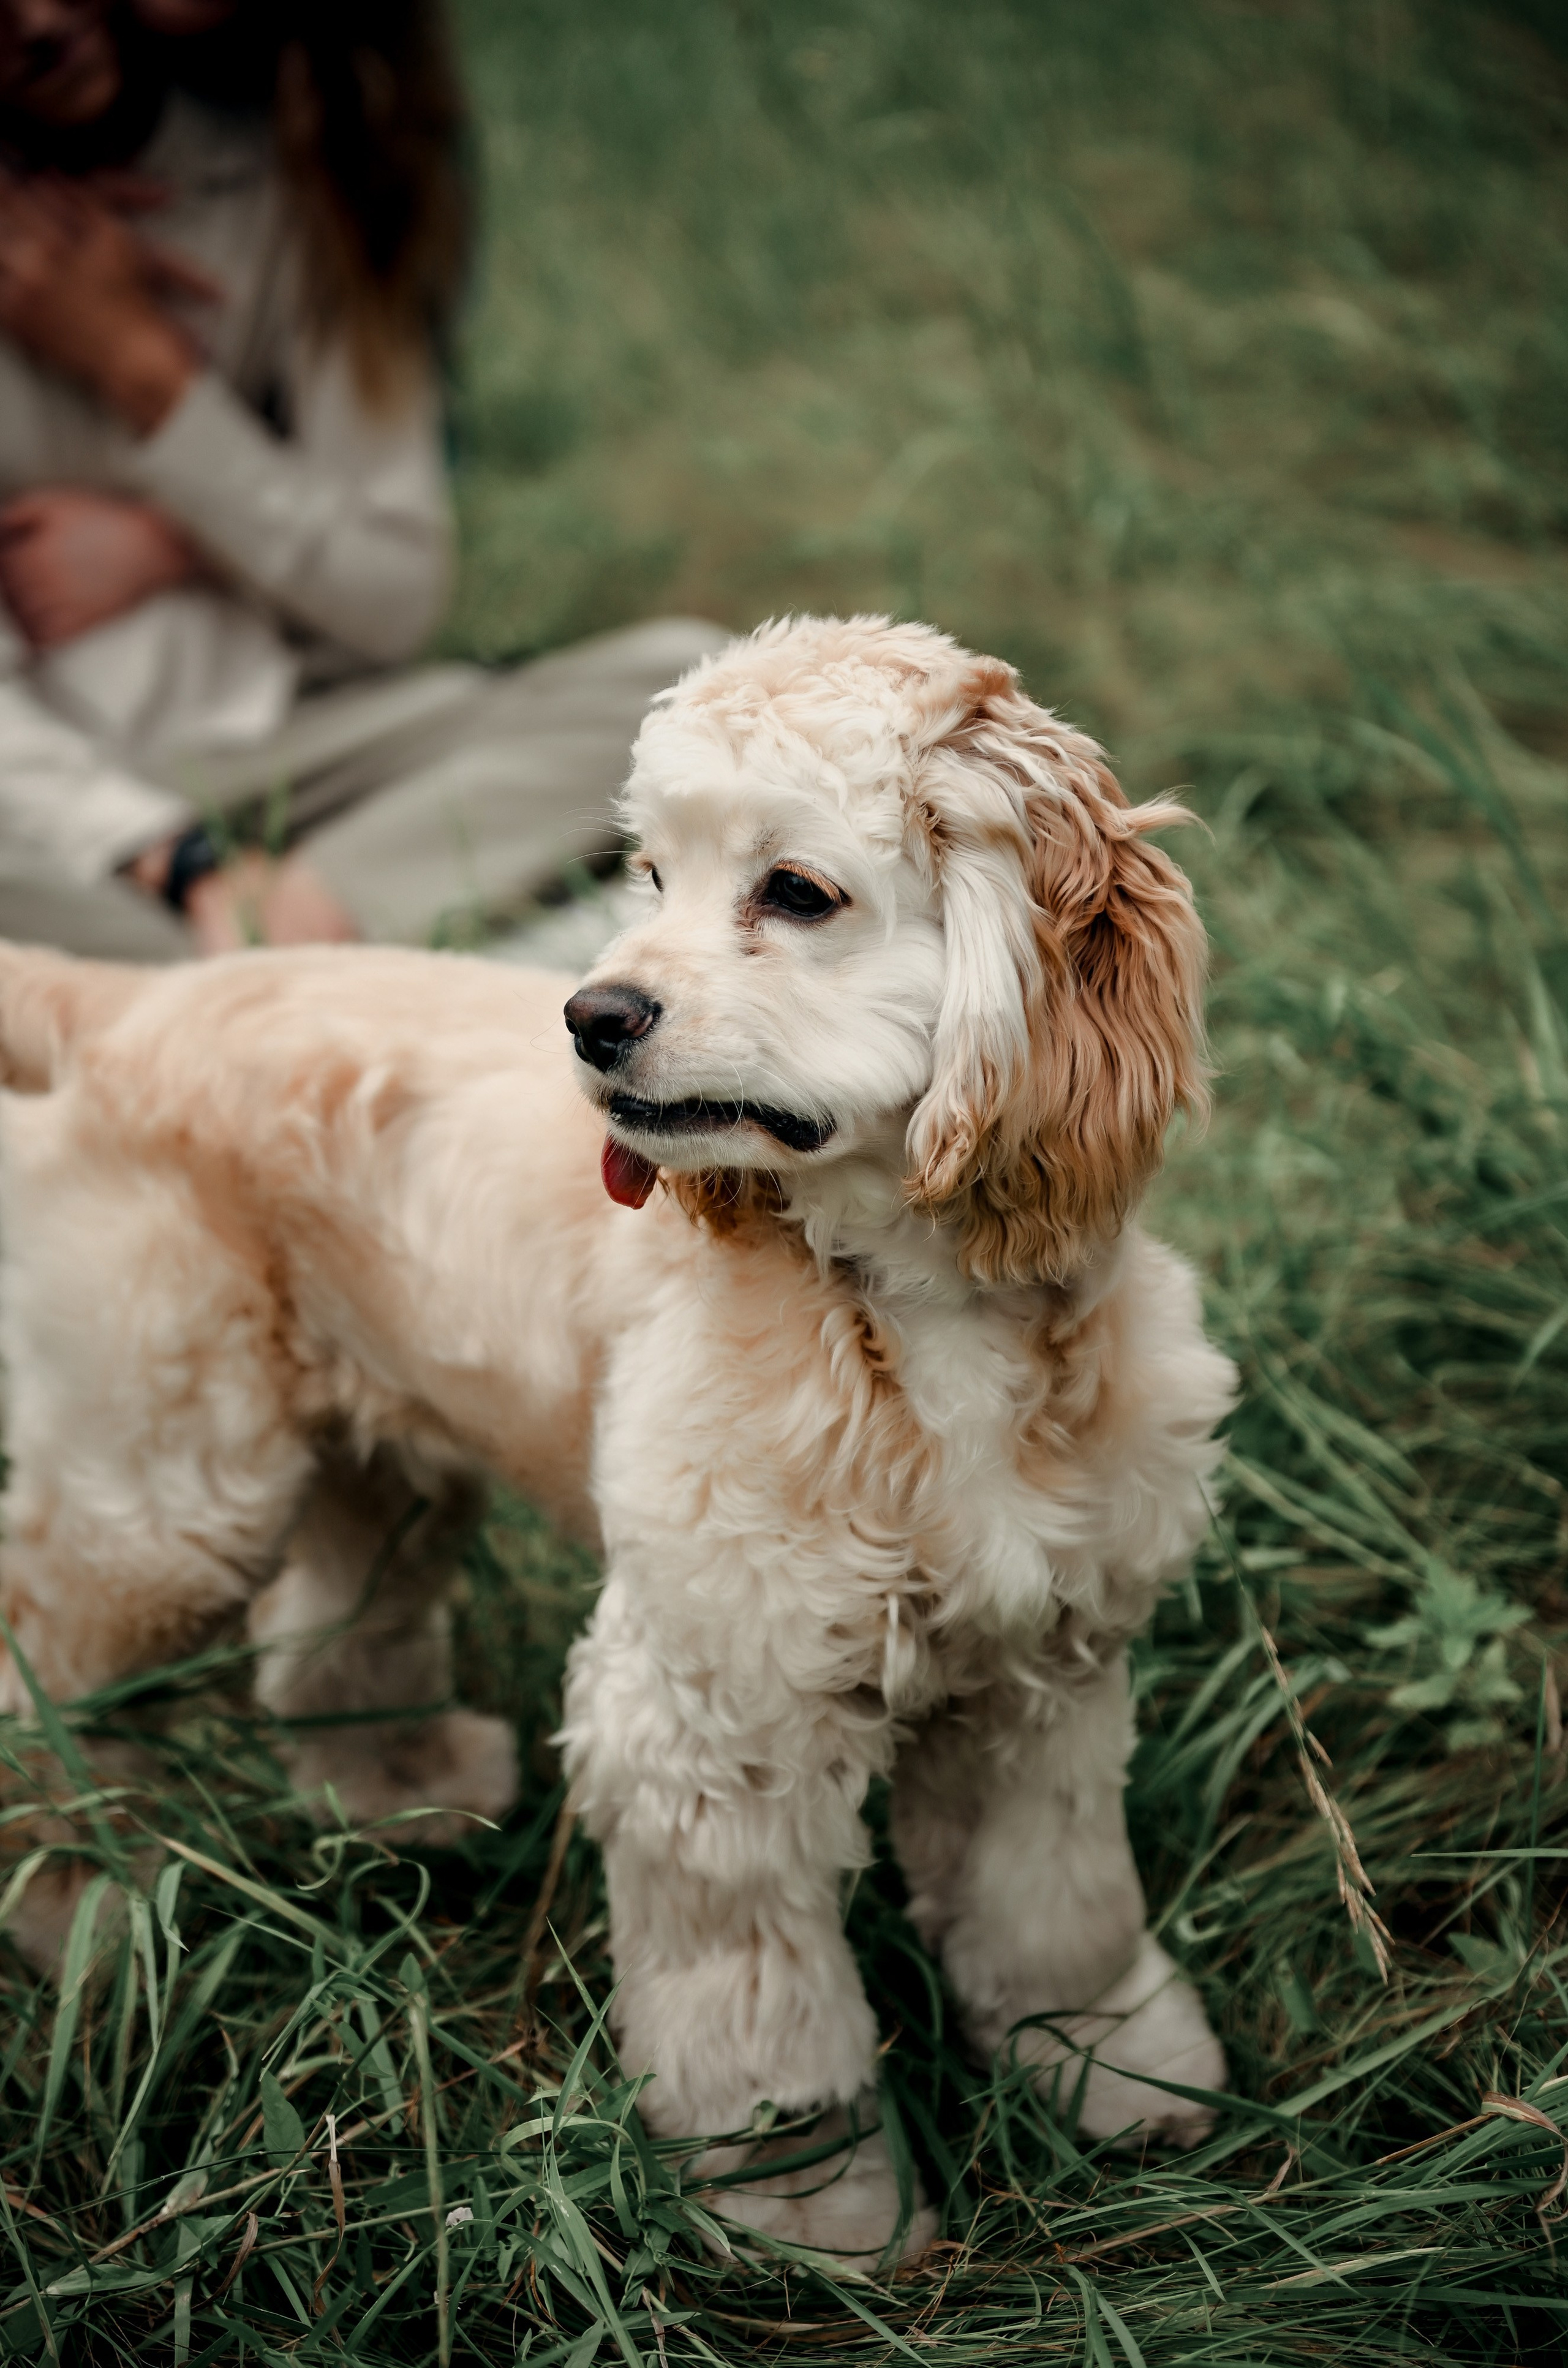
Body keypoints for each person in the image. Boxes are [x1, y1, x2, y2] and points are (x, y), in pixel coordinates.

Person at [0, 0, 723, 958]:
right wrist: (175, 860)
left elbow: (391, 597)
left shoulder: (281, 183)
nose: (39, 19)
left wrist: (150, 381)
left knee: (693, 695)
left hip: (298, 736)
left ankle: (273, 947)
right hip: (51, 796)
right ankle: (274, 961)